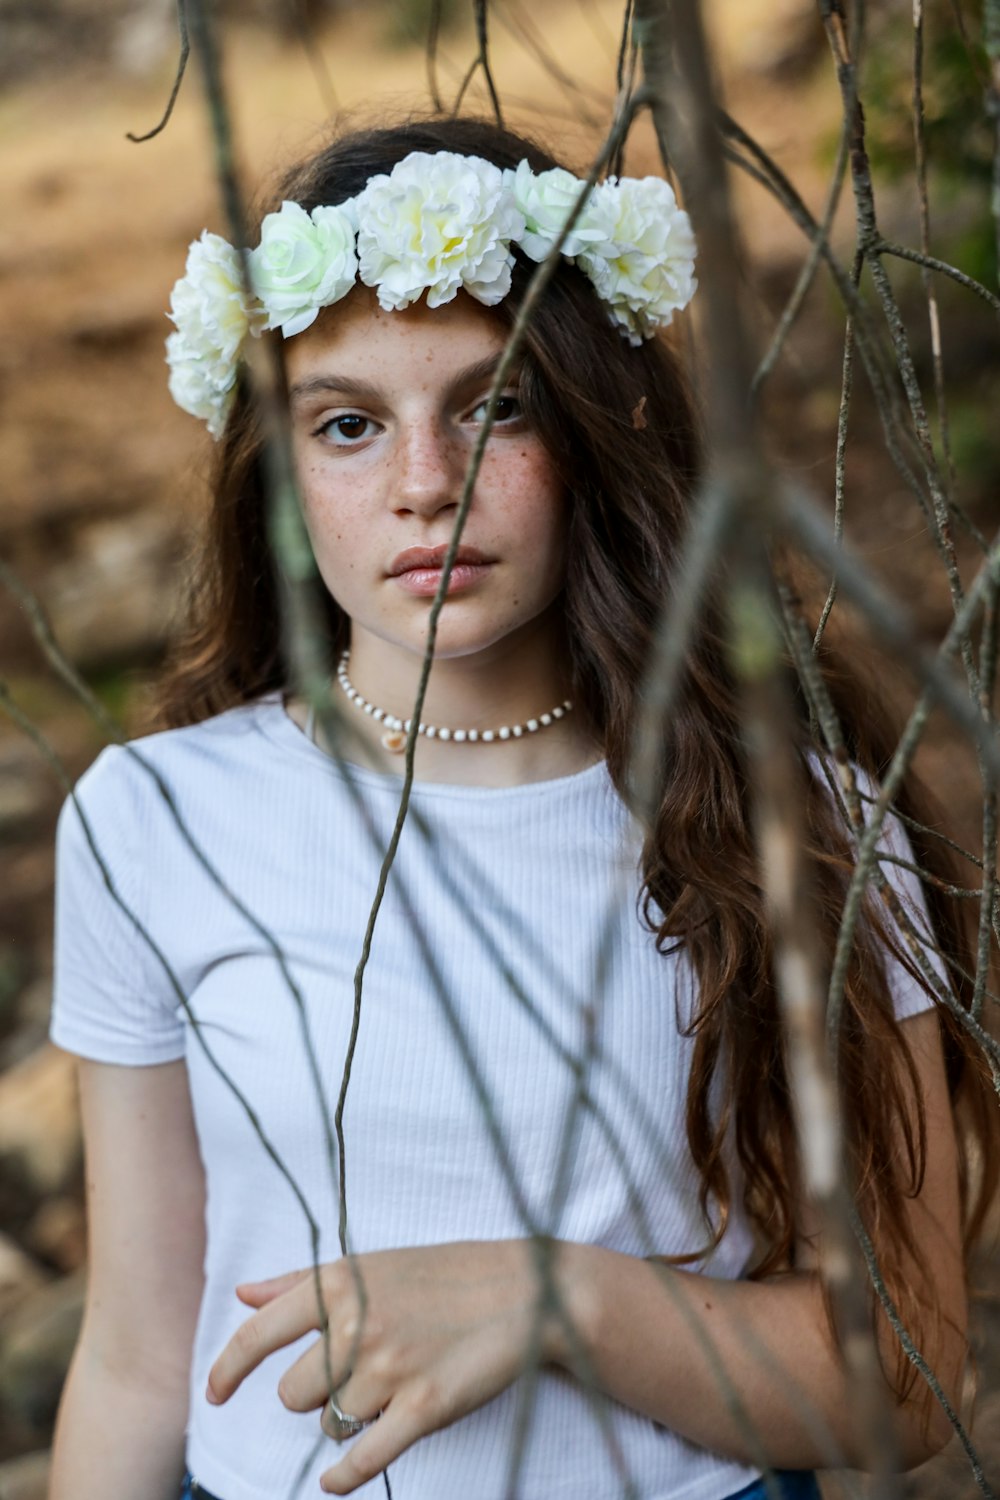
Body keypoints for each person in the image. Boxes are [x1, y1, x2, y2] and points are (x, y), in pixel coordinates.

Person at [48, 116, 996, 1500]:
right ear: (283, 476)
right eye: (351, 425)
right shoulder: (156, 820)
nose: (426, 485)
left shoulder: (793, 823)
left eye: (497, 408)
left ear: (599, 427)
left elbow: (908, 1377)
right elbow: (137, 1360)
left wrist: (564, 1300)